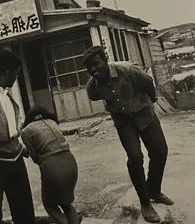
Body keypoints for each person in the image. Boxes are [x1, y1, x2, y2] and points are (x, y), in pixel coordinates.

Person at [82, 45, 174, 223]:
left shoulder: (129, 70)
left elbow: (148, 83)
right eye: (89, 68)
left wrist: (152, 100)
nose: (93, 70)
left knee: (160, 151)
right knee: (135, 157)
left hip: (145, 114)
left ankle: (154, 189)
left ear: (105, 59)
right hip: (124, 121)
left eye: (96, 64)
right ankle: (145, 202)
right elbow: (95, 96)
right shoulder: (93, 87)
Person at [21, 106, 79, 224]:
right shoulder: (52, 122)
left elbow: (36, 157)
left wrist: (24, 152)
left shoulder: (26, 131)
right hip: (70, 162)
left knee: (49, 203)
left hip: (51, 166)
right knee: (66, 204)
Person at [0, 49, 35, 224]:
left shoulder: (6, 96)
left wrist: (22, 147)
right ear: (7, 72)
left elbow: (12, 131)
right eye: (16, 73)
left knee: (24, 211)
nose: (16, 78)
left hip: (15, 157)